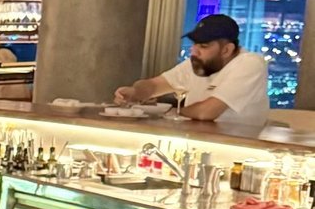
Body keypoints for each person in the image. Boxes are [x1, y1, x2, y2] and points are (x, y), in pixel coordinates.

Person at [115, 12, 270, 133]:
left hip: (237, 149)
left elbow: (206, 112)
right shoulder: (197, 62)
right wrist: (135, 93)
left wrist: (171, 113)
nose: (194, 51)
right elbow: (155, 85)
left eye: (203, 46)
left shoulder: (250, 63)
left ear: (226, 50)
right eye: (194, 44)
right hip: (195, 142)